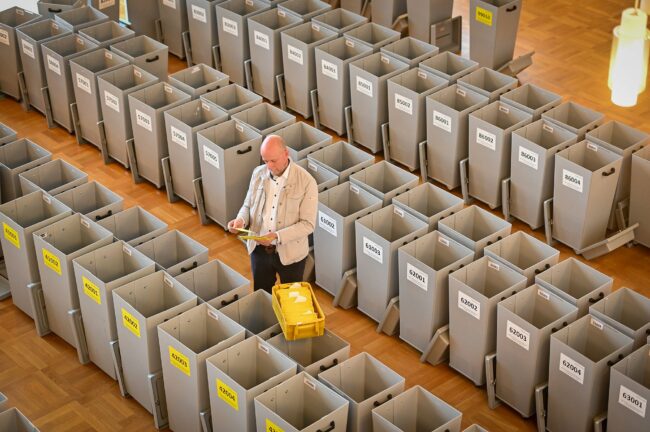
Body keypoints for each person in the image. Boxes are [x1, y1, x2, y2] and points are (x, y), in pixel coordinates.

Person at [227, 134, 318, 293]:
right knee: (262, 295)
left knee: (290, 300)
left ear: (286, 153)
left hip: (291, 256)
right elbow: (248, 205)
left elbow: (308, 225)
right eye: (265, 160)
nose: (269, 166)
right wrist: (240, 220)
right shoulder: (258, 173)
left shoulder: (307, 182)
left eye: (273, 161)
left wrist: (276, 236)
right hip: (259, 251)